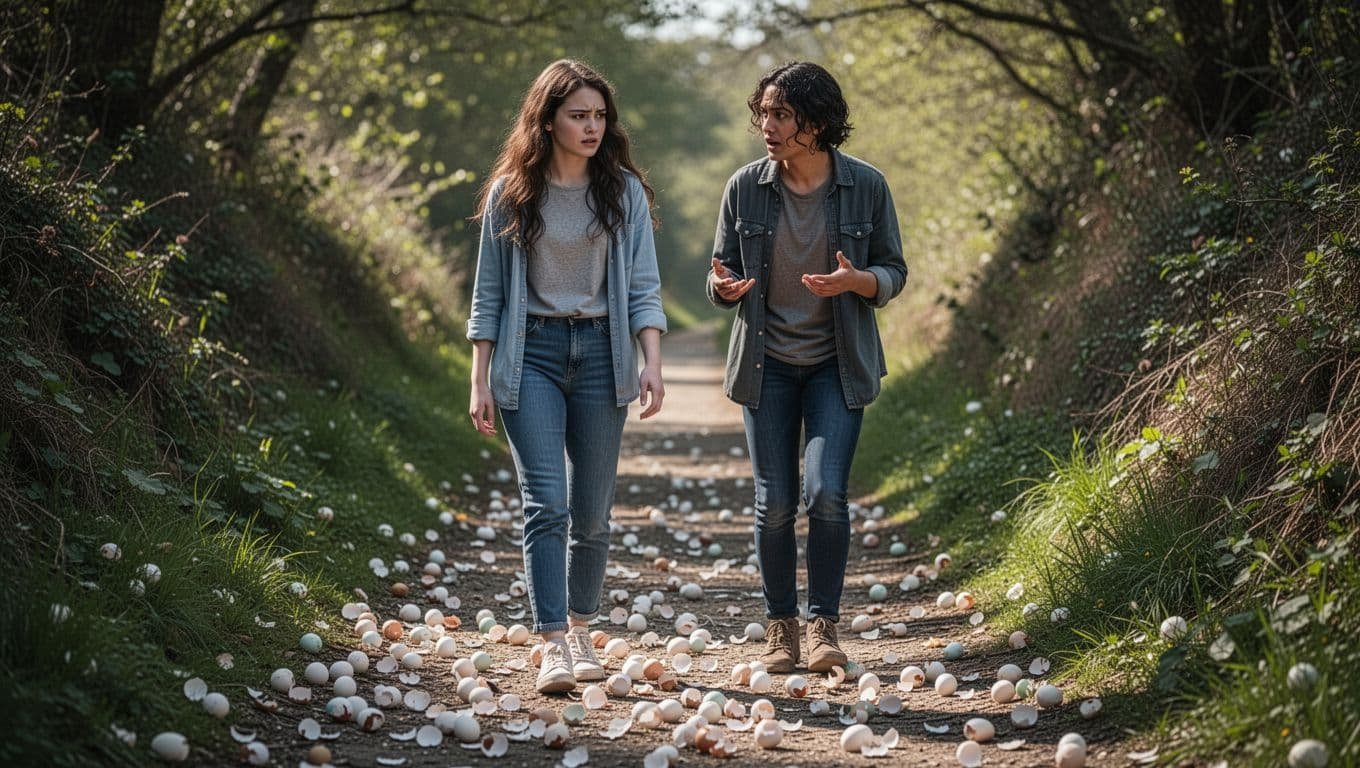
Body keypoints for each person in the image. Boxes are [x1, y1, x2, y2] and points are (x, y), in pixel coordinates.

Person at [467, 59, 666, 694]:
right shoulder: (511, 193)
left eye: (600, 116)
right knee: (545, 502)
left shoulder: (623, 192)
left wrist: (652, 360)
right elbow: (489, 295)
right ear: (547, 120)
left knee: (593, 511)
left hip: (604, 357)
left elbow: (641, 286)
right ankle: (552, 639)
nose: (592, 127)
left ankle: (583, 628)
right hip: (533, 358)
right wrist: (479, 378)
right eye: (578, 115)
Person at [706, 61, 906, 673]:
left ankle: (823, 628)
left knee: (825, 493)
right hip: (765, 367)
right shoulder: (744, 188)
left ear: (817, 123)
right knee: (774, 502)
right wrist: (723, 289)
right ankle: (780, 628)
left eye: (782, 114)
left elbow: (894, 271)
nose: (767, 125)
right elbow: (718, 270)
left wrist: (859, 280)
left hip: (835, 366)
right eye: (763, 112)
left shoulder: (866, 187)